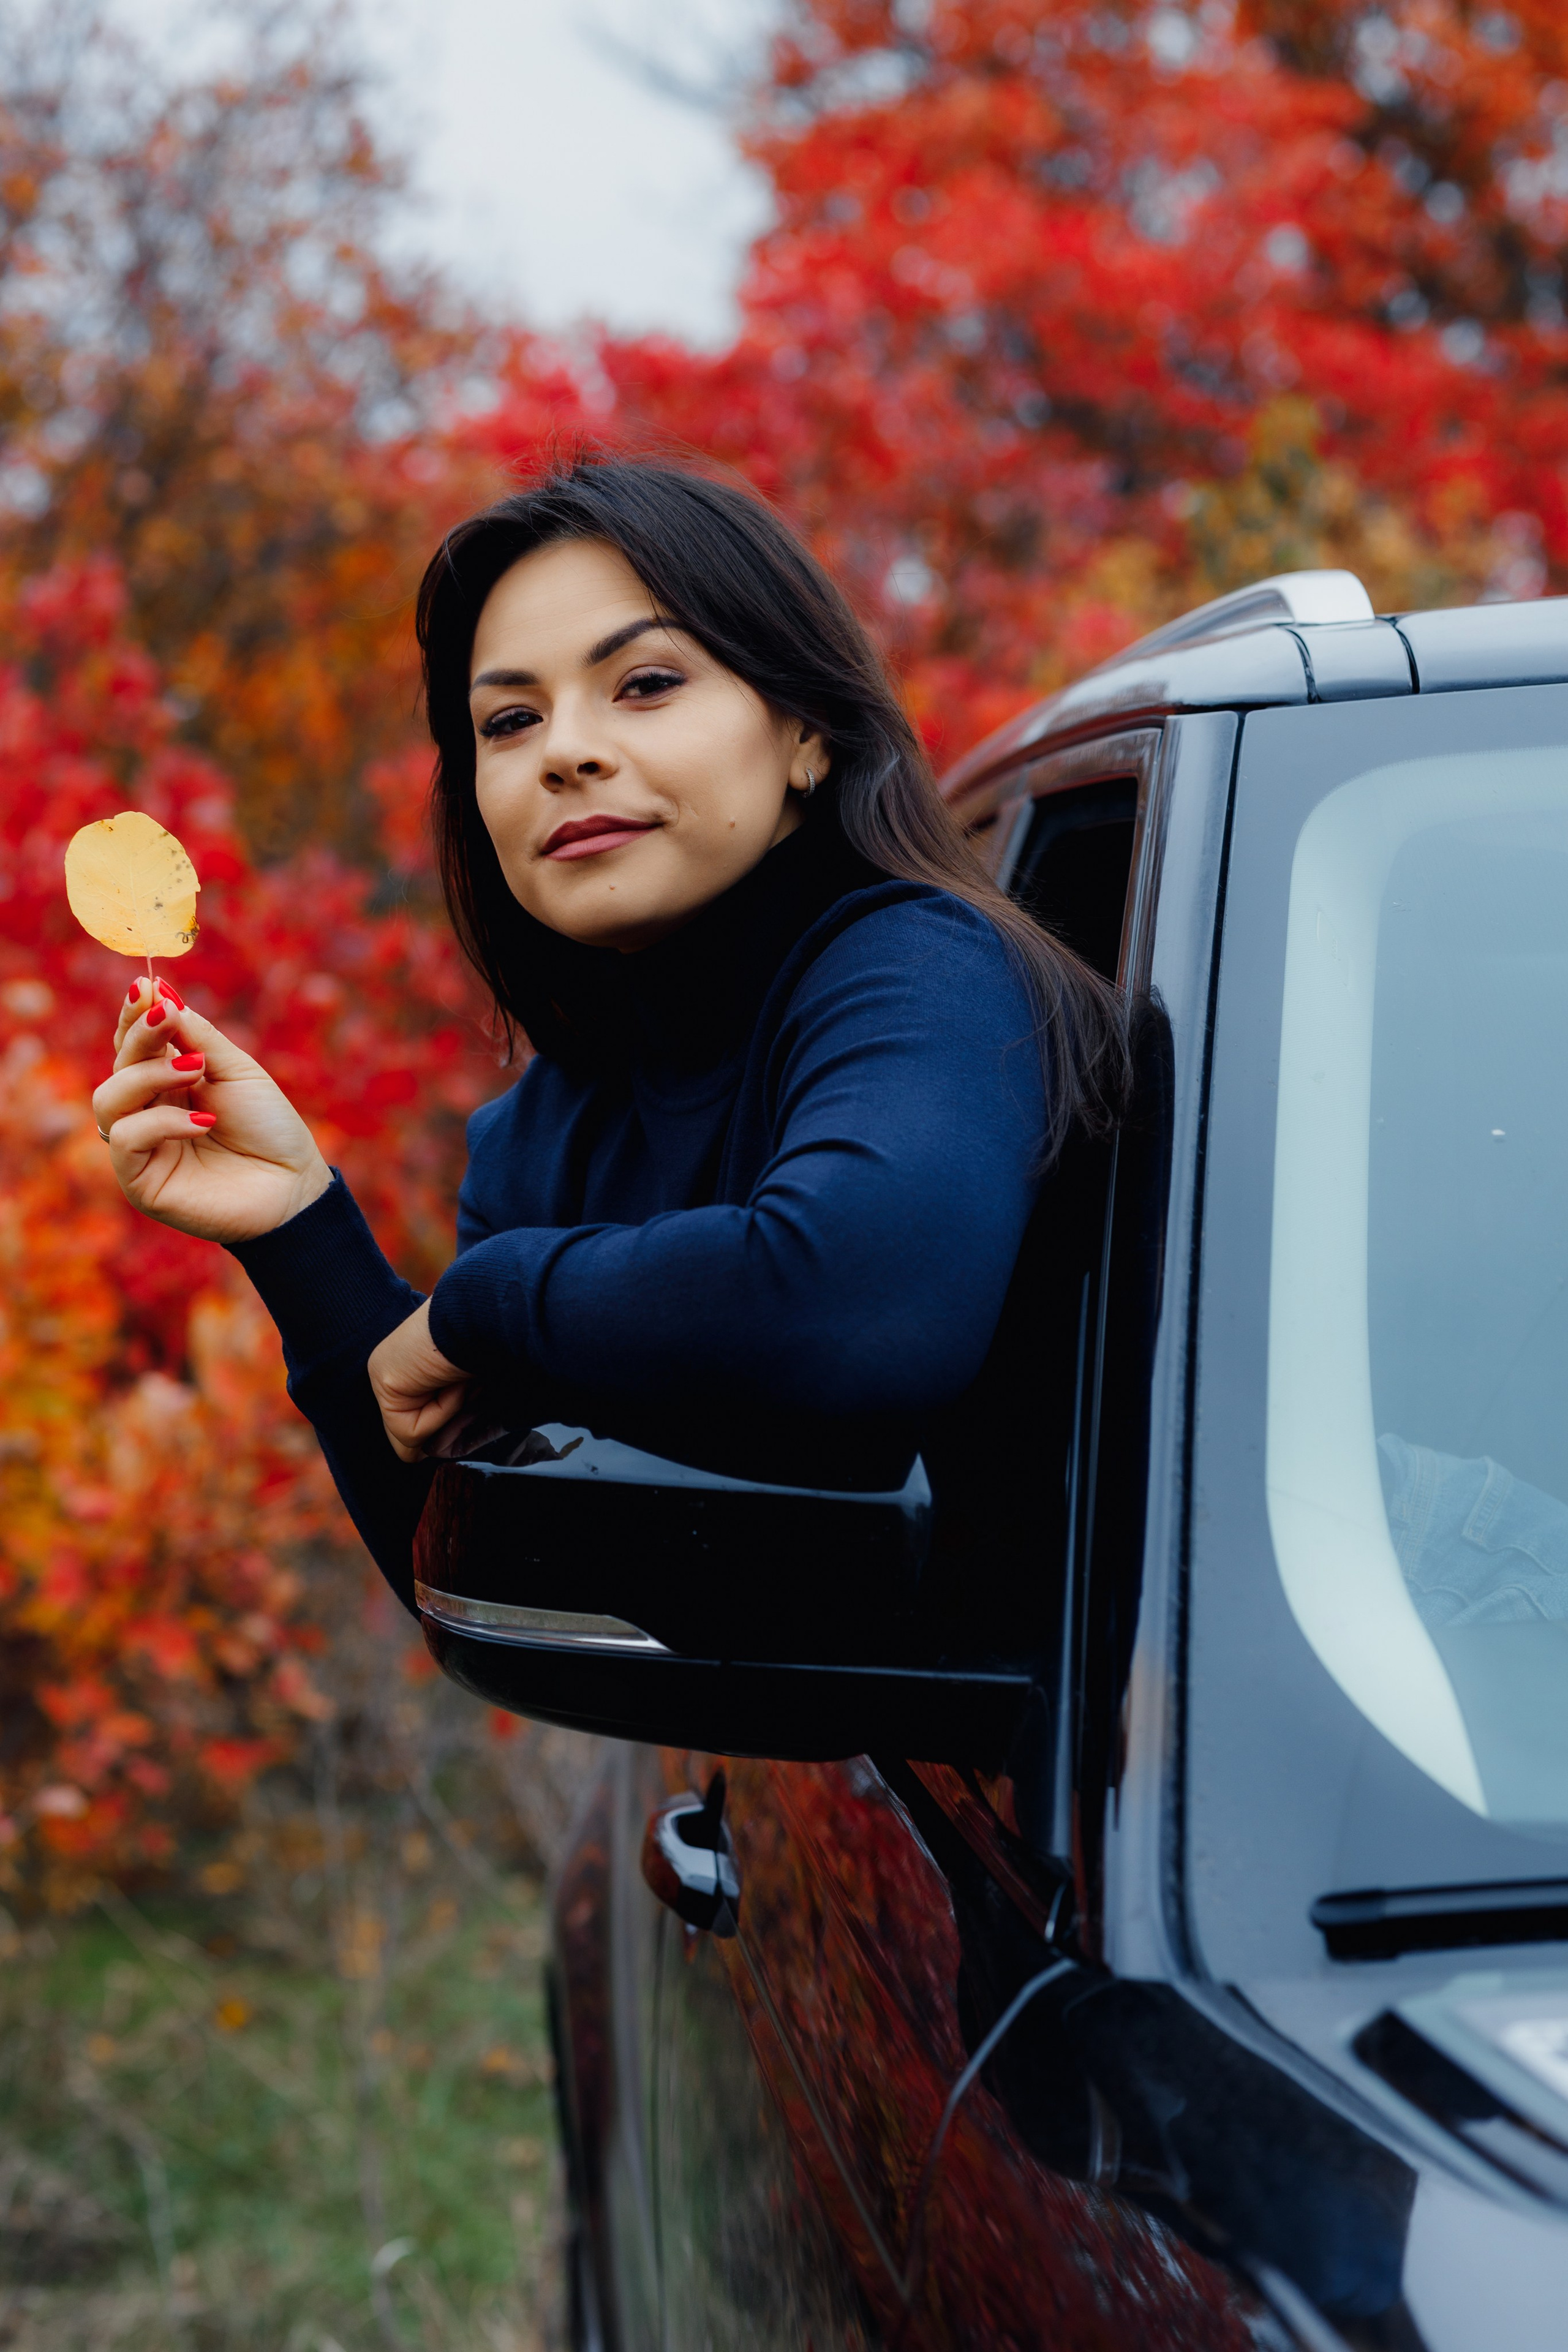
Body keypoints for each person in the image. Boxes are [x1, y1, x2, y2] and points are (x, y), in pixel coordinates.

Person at [92, 458, 1128, 1621]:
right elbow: (504, 1582)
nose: (563, 752)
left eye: (643, 683)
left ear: (806, 732)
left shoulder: (925, 971)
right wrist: (298, 1232)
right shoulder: (545, 1134)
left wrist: (487, 1301)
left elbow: (855, 1307)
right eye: (510, 719)